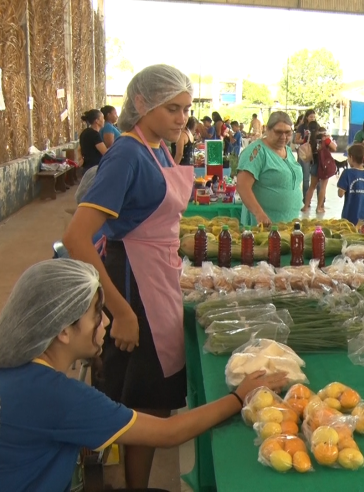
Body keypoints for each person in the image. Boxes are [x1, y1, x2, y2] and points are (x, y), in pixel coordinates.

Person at [0, 259, 287, 492]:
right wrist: (238, 397)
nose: (107, 322)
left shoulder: (18, 368)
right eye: (97, 314)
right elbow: (168, 433)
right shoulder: (60, 396)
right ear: (63, 331)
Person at [62, 64, 198, 489]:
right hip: (135, 285)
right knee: (141, 401)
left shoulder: (158, 148)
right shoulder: (127, 153)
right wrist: (120, 311)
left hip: (159, 277)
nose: (182, 118)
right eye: (172, 108)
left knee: (155, 400)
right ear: (141, 103)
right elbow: (77, 238)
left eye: (186, 109)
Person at [237, 111, 303, 227]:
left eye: (288, 133)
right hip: (264, 226)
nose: (283, 137)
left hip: (288, 223)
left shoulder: (287, 151)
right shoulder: (257, 151)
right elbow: (243, 186)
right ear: (267, 129)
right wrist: (259, 214)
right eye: (278, 132)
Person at [337, 144, 364, 233]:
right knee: (362, 242)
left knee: (350, 240)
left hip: (350, 216)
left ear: (351, 157)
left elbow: (340, 194)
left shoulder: (347, 173)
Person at [302, 124, 337, 213]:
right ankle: (319, 208)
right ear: (324, 133)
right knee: (323, 187)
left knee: (311, 187)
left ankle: (306, 206)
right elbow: (334, 148)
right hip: (324, 166)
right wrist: (329, 139)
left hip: (314, 165)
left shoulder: (311, 140)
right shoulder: (326, 140)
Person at [295, 109, 317, 199]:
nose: (313, 118)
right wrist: (304, 140)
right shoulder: (302, 127)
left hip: (315, 153)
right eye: (311, 117)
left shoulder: (317, 126)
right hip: (305, 153)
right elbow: (296, 140)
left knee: (316, 177)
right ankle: (305, 199)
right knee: (306, 177)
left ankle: (318, 200)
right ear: (307, 117)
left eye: (314, 117)